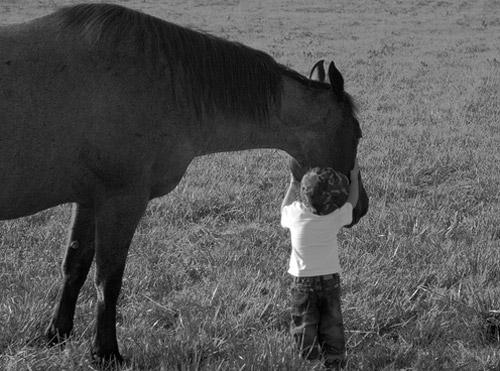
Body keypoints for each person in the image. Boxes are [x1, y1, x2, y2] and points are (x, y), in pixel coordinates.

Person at [281, 159, 359, 370]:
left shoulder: (295, 213)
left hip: (303, 284)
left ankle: (309, 361)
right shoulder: (335, 216)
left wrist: (292, 183)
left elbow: (283, 208)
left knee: (304, 324)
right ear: (334, 201)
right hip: (330, 282)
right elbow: (352, 201)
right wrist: (354, 177)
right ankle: (335, 362)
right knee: (332, 324)